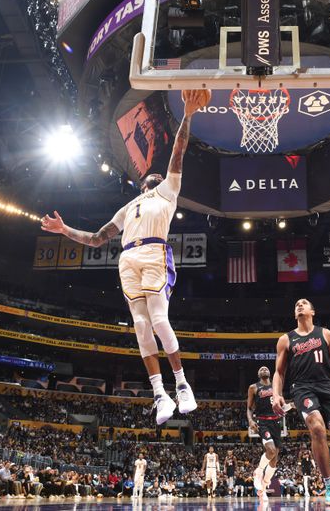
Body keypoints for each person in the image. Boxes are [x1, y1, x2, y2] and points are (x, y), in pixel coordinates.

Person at [41, 89, 211, 424]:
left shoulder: (168, 191)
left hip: (153, 252)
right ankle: (160, 395)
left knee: (160, 321)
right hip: (127, 259)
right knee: (140, 326)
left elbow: (178, 151)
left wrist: (188, 114)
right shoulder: (127, 207)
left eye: (160, 175)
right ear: (143, 184)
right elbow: (96, 239)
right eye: (153, 176)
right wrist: (64, 231)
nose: (157, 176)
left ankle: (182, 384)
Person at [272, 298, 330, 506]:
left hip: (327, 386)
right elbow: (279, 373)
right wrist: (276, 394)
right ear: (294, 314)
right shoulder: (286, 339)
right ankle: (329, 485)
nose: (299, 304)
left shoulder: (326, 334)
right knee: (317, 428)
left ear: (312, 312)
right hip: (302, 387)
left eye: (304, 303)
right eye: (296, 304)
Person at [247, 366, 290, 500]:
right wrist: (250, 420)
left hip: (275, 423)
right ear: (259, 374)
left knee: (274, 459)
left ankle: (264, 487)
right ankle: (258, 472)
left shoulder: (276, 386)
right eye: (261, 369)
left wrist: (291, 406)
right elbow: (249, 408)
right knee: (270, 451)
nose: (264, 369)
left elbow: (281, 405)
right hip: (263, 422)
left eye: (266, 368)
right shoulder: (253, 387)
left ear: (270, 373)